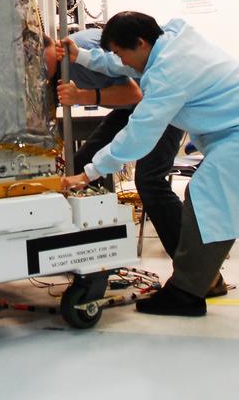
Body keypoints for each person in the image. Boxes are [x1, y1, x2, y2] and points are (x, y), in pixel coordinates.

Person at [60, 11, 239, 317]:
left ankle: (186, 291)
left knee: (208, 194)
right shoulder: (172, 41)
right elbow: (127, 64)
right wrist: (83, 57)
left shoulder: (168, 72)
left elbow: (139, 134)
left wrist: (90, 172)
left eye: (120, 52)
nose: (121, 61)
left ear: (141, 42)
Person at [46, 30, 188, 268]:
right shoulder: (62, 61)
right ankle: (95, 257)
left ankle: (193, 269)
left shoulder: (80, 49)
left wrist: (83, 96)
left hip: (163, 107)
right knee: (80, 165)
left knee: (150, 180)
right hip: (132, 109)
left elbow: (134, 93)